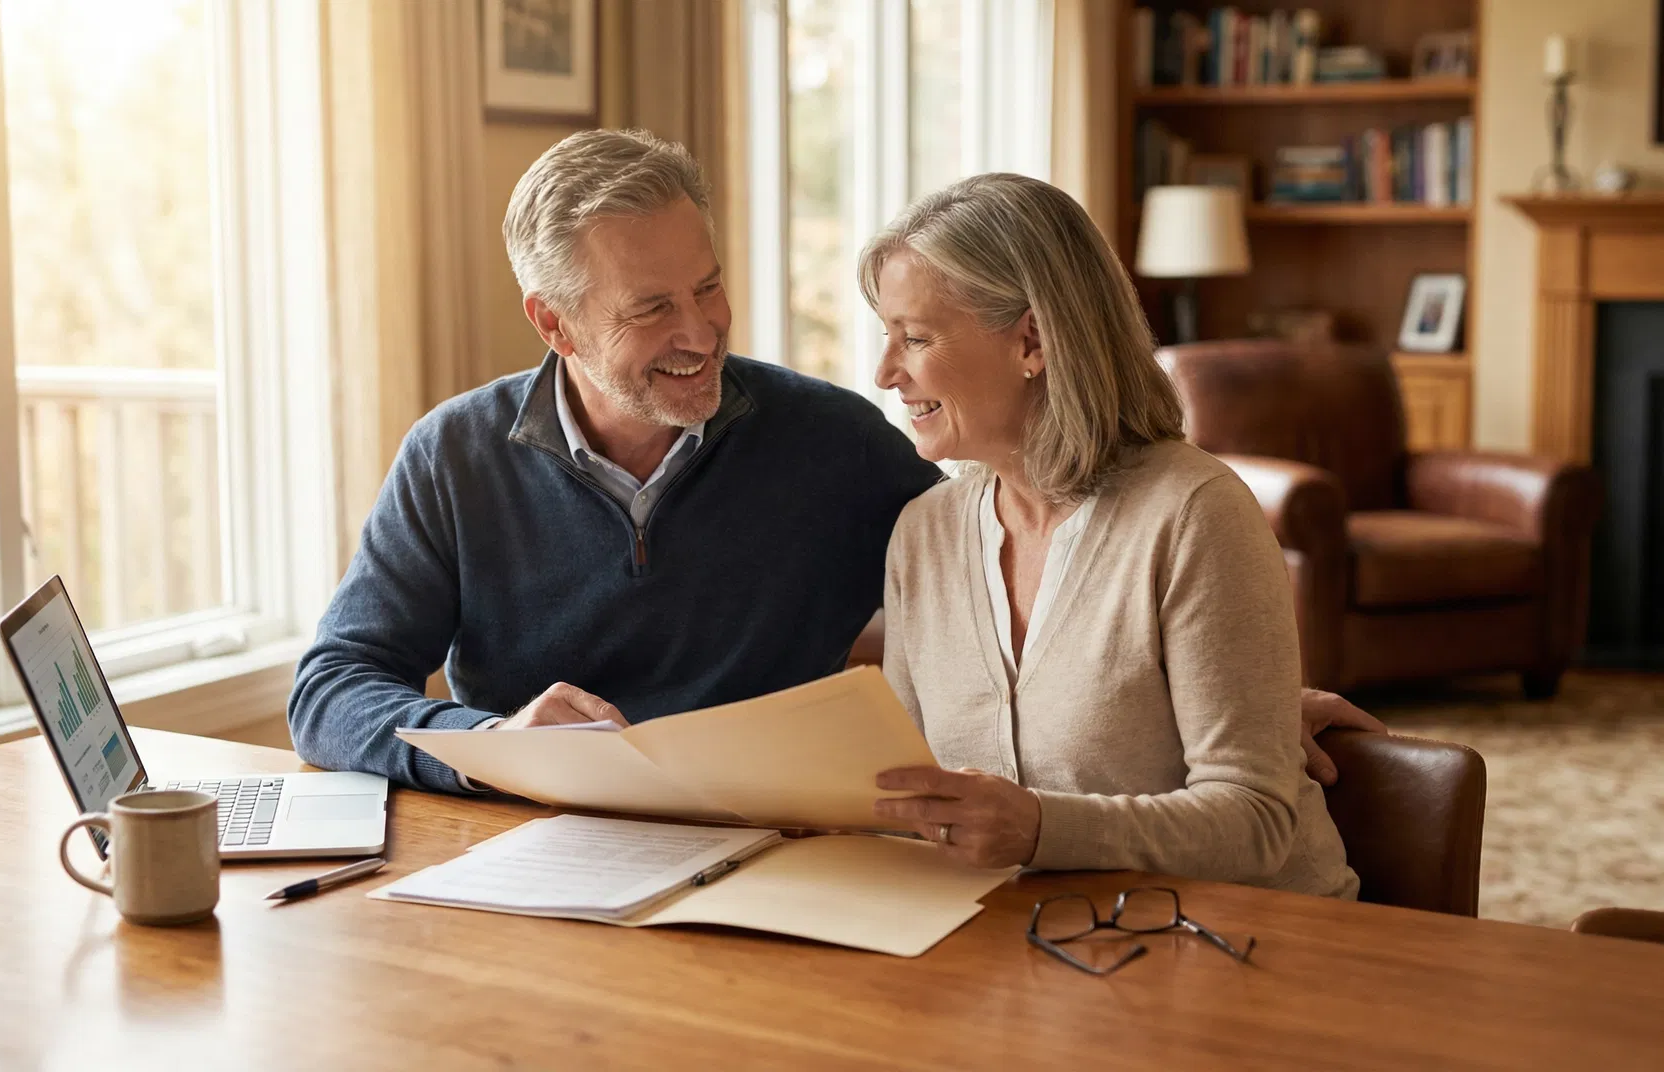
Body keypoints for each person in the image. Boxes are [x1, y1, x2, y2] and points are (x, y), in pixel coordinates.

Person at [287, 129, 1382, 796]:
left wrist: (1226, 702)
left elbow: (1031, 589)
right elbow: (332, 688)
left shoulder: (833, 443)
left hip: (764, 853)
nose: (702, 332)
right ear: (554, 322)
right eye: (652, 308)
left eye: (709, 285)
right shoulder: (455, 457)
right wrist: (492, 741)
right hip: (533, 856)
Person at [865, 173, 1358, 898]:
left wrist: (1041, 828)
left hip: (1248, 932)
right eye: (886, 337)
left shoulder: (1194, 513)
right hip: (1035, 936)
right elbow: (907, 795)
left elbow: (1257, 821)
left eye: (914, 338)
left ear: (1031, 340)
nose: (885, 373)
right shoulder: (924, 534)